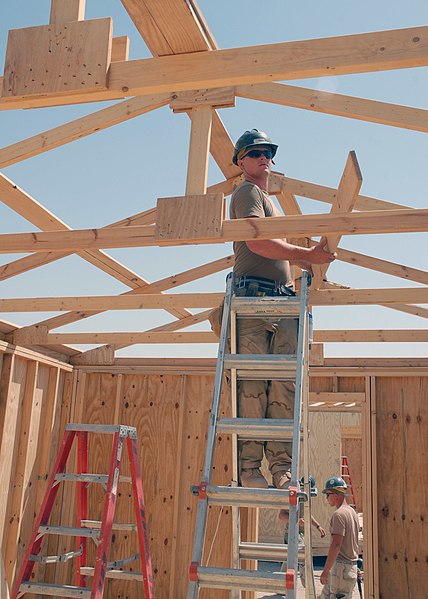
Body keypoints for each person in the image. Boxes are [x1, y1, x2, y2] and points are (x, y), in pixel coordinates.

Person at [229, 129, 336, 489]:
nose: (263, 156)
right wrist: (306, 255)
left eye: (268, 151)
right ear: (240, 161)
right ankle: (248, 470)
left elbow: (273, 246)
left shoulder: (269, 201)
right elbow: (258, 243)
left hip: (277, 299)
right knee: (254, 387)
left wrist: (304, 263)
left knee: (282, 388)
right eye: (254, 151)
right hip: (255, 302)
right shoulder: (246, 192)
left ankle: (280, 469)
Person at [319, 476, 360, 599]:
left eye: (328, 494)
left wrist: (326, 571)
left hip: (341, 569)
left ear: (336, 495)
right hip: (347, 567)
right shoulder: (352, 512)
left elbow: (336, 544)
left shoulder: (339, 515)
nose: (326, 498)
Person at [278, 508, 325, 587]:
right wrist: (296, 520)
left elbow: (307, 514)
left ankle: (281, 585)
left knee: (289, 560)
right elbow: (281, 515)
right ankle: (308, 586)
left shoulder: (303, 498)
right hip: (292, 533)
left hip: (301, 534)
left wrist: (318, 526)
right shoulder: (291, 497)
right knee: (303, 557)